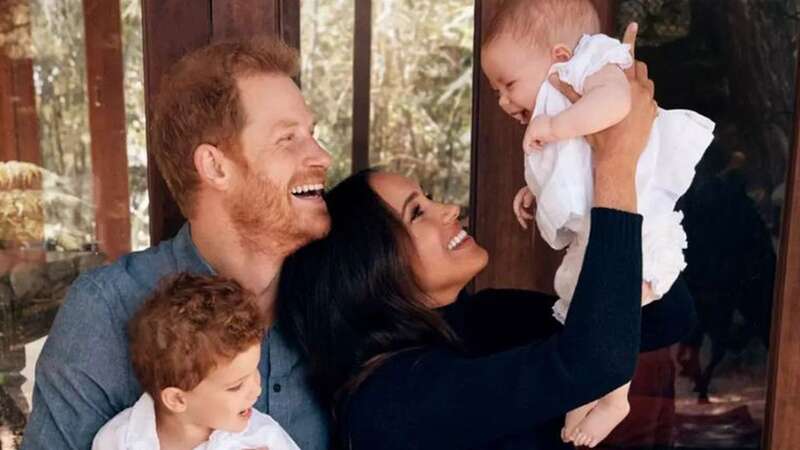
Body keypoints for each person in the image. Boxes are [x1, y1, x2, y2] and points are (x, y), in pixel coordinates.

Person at [278, 24, 696, 450]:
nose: (450, 209)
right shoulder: (391, 399)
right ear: (370, 267)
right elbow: (594, 362)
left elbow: (663, 319)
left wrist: (598, 173)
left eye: (431, 197)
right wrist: (614, 164)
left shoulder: (483, 319)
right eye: (418, 213)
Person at [22, 37, 330, 450]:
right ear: (215, 167)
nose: (322, 156)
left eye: (312, 133)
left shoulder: (337, 295)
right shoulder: (106, 312)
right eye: (288, 138)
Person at [479, 0, 714, 444]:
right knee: (586, 313)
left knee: (613, 308)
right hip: (601, 226)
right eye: (496, 92)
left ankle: (613, 398)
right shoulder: (561, 108)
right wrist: (536, 190)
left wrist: (555, 126)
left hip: (638, 223)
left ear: (561, 57)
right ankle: (588, 394)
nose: (504, 101)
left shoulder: (594, 65)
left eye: (509, 84)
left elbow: (615, 102)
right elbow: (575, 168)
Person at [92, 273, 300, 450]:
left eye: (255, 371)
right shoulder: (119, 440)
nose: (257, 390)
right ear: (177, 399)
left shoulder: (263, 438)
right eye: (236, 386)